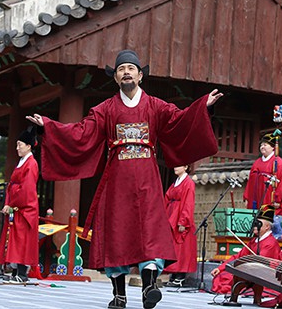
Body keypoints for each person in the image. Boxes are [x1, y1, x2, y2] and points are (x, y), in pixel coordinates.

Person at [26, 49, 222, 309]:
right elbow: (81, 133)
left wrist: (201, 107)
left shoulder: (155, 106)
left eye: (131, 68)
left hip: (148, 181)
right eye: (121, 69)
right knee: (116, 235)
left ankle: (149, 286)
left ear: (140, 75)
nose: (126, 72)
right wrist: (49, 126)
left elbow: (180, 120)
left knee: (150, 232)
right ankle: (119, 295)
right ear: (116, 78)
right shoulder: (105, 109)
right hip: (116, 180)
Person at [0, 126, 40, 283]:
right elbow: (12, 185)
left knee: (23, 241)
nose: (17, 148)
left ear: (28, 146)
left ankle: (22, 273)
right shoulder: (22, 162)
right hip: (16, 207)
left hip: (25, 208)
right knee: (15, 240)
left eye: (20, 144)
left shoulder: (31, 164)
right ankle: (15, 272)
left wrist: (12, 203)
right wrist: (8, 202)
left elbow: (26, 189)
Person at [211, 205, 282, 305]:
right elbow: (238, 256)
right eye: (255, 223)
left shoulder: (270, 243)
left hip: (263, 274)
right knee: (223, 276)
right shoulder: (254, 241)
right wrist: (221, 267)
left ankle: (240, 297)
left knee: (232, 277)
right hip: (250, 270)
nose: (255, 226)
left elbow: (261, 262)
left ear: (267, 227)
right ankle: (235, 297)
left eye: (259, 224)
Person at [163, 164, 197, 288]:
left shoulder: (188, 183)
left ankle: (180, 276)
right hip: (172, 214)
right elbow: (167, 197)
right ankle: (173, 273)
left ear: (186, 167)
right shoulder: (175, 183)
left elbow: (188, 203)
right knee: (173, 247)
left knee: (182, 248)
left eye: (179, 165)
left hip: (180, 216)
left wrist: (184, 221)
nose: (175, 167)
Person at [243, 134, 282, 216]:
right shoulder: (256, 163)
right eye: (261, 145)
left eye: (265, 145)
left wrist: (277, 199)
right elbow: (250, 182)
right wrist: (247, 197)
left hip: (269, 198)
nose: (262, 147)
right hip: (255, 197)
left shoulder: (278, 162)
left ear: (273, 147)